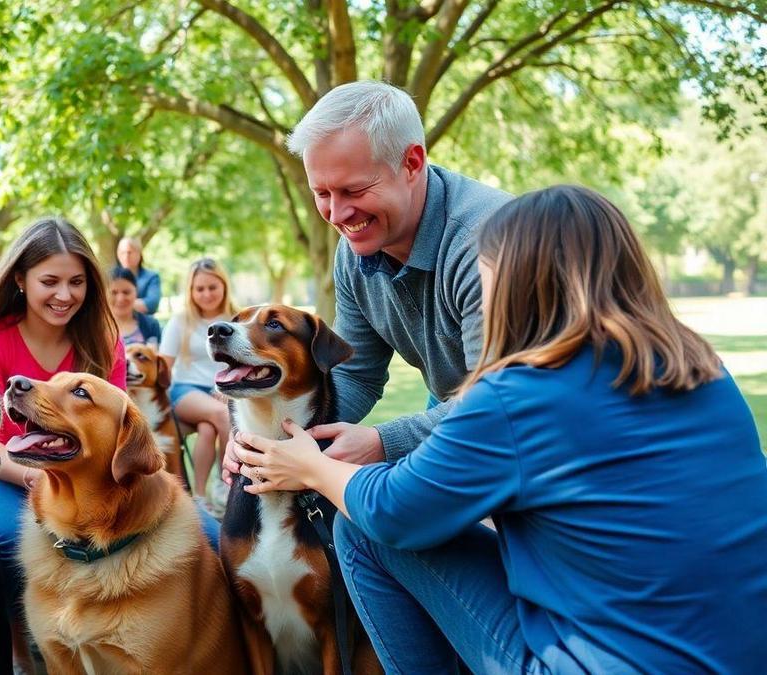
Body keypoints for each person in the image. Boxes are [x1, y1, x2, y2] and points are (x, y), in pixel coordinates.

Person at [233, 185, 767, 673]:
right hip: (741, 651)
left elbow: (393, 512)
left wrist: (313, 467)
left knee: (362, 528)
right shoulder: (699, 367)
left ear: (514, 278)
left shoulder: (523, 393)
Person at [223, 79, 511, 483]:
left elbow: (501, 402)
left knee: (371, 518)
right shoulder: (355, 251)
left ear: (412, 163)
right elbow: (357, 374)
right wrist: (264, 438)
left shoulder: (486, 244)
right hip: (457, 403)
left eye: (354, 189)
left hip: (548, 433)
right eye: (321, 193)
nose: (337, 215)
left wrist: (383, 441)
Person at [160, 257, 235, 510]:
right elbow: (164, 368)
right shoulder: (181, 321)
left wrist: (228, 389)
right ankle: (225, 483)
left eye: (212, 287)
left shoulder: (235, 318)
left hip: (222, 389)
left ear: (223, 285)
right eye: (199, 289)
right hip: (185, 390)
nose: (206, 294)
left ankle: (200, 498)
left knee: (208, 428)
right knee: (222, 415)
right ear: (191, 292)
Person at [109, 267, 161, 346]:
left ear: (136, 292)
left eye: (126, 292)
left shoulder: (151, 326)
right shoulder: (93, 328)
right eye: (114, 293)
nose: (120, 299)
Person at [114, 236, 162, 315]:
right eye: (122, 252)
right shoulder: (109, 277)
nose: (126, 256)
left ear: (139, 254)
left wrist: (117, 303)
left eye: (129, 252)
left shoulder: (152, 277)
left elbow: (152, 304)